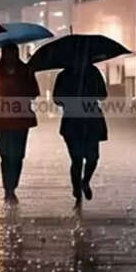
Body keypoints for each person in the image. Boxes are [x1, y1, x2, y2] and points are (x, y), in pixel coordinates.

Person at [0, 43, 39, 203]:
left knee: (18, 155)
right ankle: (8, 188)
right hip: (1, 118)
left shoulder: (26, 71)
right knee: (6, 155)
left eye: (12, 54)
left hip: (21, 118)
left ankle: (12, 186)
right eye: (7, 54)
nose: (9, 57)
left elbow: (34, 92)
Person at [53, 60, 107, 207]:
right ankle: (77, 189)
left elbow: (103, 95)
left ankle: (85, 181)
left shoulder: (93, 72)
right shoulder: (64, 76)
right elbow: (56, 99)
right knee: (76, 159)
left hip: (90, 121)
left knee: (93, 157)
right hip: (73, 122)